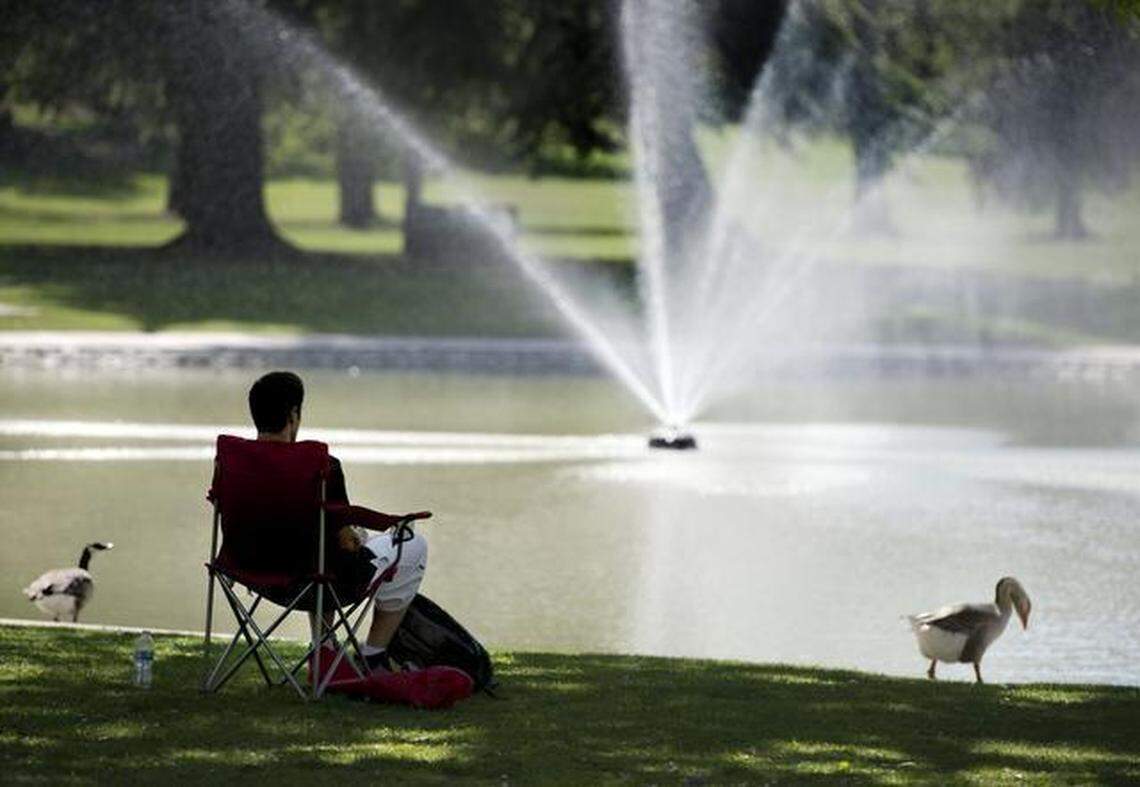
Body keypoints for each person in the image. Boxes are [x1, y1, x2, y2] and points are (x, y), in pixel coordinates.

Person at [248, 370, 430, 673]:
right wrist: (355, 535)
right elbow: (345, 543)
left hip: (255, 573)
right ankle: (373, 656)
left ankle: (325, 649)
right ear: (294, 414)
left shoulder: (234, 462)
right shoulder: (320, 466)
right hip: (314, 581)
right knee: (411, 545)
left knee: (321, 545)